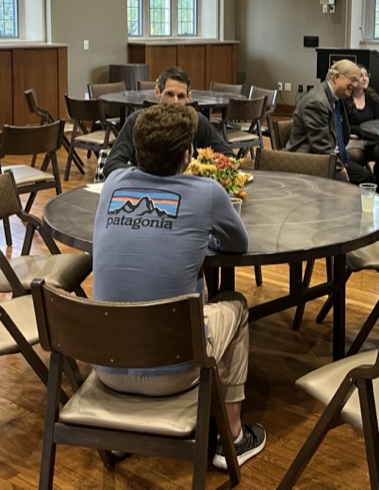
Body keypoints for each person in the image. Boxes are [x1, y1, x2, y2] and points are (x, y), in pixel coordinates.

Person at [92, 103, 265, 469]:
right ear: (187, 154)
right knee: (235, 302)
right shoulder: (207, 192)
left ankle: (122, 433)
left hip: (105, 364)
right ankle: (233, 436)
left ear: (137, 150)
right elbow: (238, 245)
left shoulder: (112, 186)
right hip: (175, 371)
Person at [102, 67, 232, 179]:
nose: (175, 101)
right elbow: (112, 165)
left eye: (181, 96)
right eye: (169, 94)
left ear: (189, 97)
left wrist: (201, 171)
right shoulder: (139, 121)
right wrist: (145, 176)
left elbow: (230, 159)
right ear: (157, 92)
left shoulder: (197, 122)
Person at [286, 59, 374, 185]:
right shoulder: (317, 102)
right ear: (336, 77)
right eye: (353, 79)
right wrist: (339, 167)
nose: (356, 84)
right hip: (309, 160)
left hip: (330, 156)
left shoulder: (337, 97)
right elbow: (320, 146)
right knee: (362, 180)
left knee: (367, 177)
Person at [345, 66, 379, 191]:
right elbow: (344, 125)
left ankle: (377, 181)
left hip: (371, 139)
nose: (365, 78)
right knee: (355, 155)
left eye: (367, 75)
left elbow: (377, 124)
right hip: (353, 141)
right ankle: (362, 184)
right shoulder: (345, 98)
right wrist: (356, 131)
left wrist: (358, 132)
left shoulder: (373, 98)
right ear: (353, 80)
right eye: (361, 76)